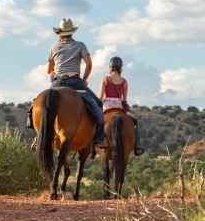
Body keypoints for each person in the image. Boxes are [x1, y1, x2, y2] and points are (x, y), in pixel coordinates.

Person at [28, 18, 109, 150]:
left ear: (60, 33)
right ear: (72, 32)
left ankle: (38, 137)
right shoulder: (80, 45)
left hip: (58, 82)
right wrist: (84, 79)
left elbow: (49, 69)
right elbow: (89, 64)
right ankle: (99, 137)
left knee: (38, 104)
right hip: (75, 82)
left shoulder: (54, 47)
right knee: (98, 105)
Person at [98, 56, 144, 156]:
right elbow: (124, 100)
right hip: (119, 105)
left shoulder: (105, 79)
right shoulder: (124, 81)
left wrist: (97, 104)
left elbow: (101, 96)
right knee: (134, 124)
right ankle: (138, 146)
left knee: (95, 121)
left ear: (110, 67)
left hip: (106, 105)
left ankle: (92, 149)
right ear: (121, 68)